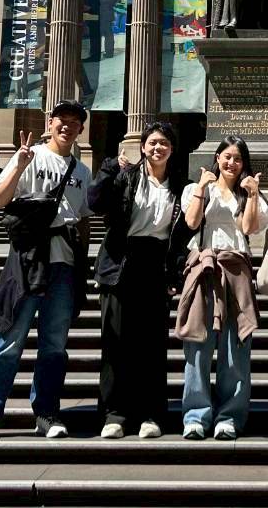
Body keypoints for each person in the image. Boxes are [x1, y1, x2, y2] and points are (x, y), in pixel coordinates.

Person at [0, 101, 92, 442]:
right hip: (28, 260)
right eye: (61, 120)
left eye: (74, 122)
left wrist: (83, 263)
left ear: (81, 129)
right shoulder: (31, 155)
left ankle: (46, 413)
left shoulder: (82, 172)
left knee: (54, 345)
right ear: (50, 123)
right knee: (10, 340)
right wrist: (19, 165)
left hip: (64, 265)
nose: (67, 127)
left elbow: (83, 219)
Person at [89, 122, 192, 439]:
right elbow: (95, 203)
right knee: (116, 343)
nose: (158, 148)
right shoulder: (126, 176)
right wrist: (109, 168)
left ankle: (151, 414)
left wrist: (175, 272)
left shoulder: (180, 185)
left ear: (172, 149)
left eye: (164, 143)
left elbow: (182, 235)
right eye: (153, 142)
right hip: (122, 262)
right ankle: (115, 414)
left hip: (156, 264)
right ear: (143, 147)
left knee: (152, 345)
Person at [177, 136, 265, 440]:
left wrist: (252, 195)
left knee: (235, 347)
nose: (231, 163)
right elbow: (191, 222)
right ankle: (195, 415)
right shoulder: (197, 189)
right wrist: (201, 187)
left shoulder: (248, 193)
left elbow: (249, 228)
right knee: (198, 345)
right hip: (205, 268)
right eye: (227, 156)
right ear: (217, 157)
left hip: (236, 268)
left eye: (238, 158)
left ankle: (229, 415)